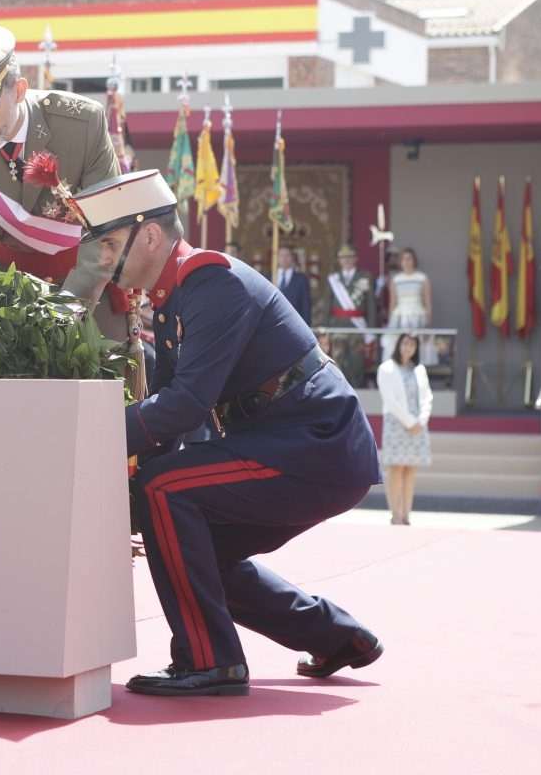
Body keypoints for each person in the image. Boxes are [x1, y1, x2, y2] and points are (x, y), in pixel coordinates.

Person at [71, 169, 383, 697]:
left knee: (162, 491)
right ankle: (336, 636)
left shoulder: (211, 281)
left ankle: (209, 660)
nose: (102, 260)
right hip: (287, 440)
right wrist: (125, 468)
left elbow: (186, 404)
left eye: (109, 243)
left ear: (149, 235)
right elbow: (168, 415)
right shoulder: (175, 295)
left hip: (314, 441)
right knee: (188, 543)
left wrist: (85, 442)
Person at [0, 24, 121, 328]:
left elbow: (107, 232)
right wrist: (12, 325)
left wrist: (64, 314)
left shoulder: (82, 125)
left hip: (90, 300)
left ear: (18, 90)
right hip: (6, 312)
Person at [376, 332, 432, 525]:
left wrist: (421, 421)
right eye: (405, 343)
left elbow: (427, 398)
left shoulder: (419, 370)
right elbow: (390, 400)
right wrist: (409, 421)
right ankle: (395, 513)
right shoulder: (386, 369)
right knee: (396, 468)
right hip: (396, 423)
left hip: (418, 425)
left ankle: (407, 514)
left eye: (412, 345)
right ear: (398, 345)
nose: (408, 348)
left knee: (411, 468)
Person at [318, 243, 378, 387]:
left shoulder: (366, 277)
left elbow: (371, 305)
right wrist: (325, 330)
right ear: (339, 260)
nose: (346, 260)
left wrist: (371, 330)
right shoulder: (332, 279)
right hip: (337, 327)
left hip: (357, 328)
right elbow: (327, 306)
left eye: (349, 257)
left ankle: (356, 390)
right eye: (343, 258)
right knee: (338, 362)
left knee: (357, 362)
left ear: (355, 259)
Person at [383, 247, 432, 363]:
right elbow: (392, 303)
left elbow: (428, 303)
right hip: (399, 317)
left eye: (409, 259)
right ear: (400, 262)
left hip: (418, 316)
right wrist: (391, 322)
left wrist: (428, 325)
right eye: (403, 259)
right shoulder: (396, 280)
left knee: (416, 346)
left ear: (414, 260)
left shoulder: (422, 278)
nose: (406, 262)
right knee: (396, 345)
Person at [274, 244, 312, 325]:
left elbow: (305, 306)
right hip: (272, 323)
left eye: (287, 255)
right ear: (277, 258)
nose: (284, 259)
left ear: (292, 257)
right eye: (281, 256)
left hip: (294, 324)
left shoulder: (301, 279)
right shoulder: (269, 277)